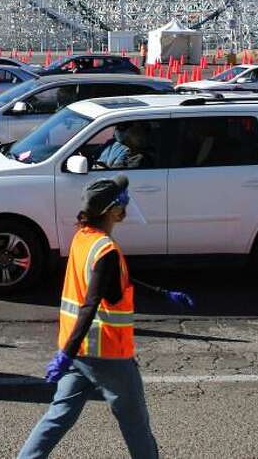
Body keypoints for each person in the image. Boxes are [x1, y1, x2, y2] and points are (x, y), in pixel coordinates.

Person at [18, 175, 194, 459]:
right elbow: (92, 303)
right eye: (122, 201)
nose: (126, 205)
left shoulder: (84, 238)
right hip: (108, 354)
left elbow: (111, 282)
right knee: (136, 424)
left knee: (58, 416)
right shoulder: (107, 250)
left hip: (79, 352)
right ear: (112, 210)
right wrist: (67, 354)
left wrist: (162, 293)